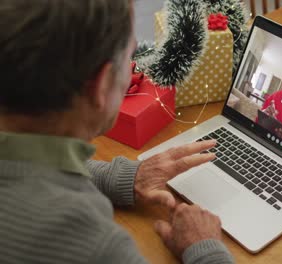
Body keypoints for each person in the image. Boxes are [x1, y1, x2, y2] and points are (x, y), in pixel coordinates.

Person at [0, 1, 233, 263]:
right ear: (101, 85)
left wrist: (123, 177)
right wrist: (205, 247)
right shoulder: (97, 246)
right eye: (130, 56)